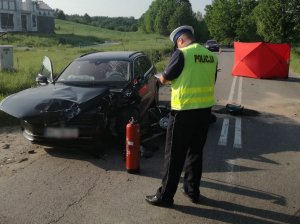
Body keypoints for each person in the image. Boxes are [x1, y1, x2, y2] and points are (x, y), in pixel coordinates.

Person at [145, 25, 218, 207]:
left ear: (180, 40)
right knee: (195, 153)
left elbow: (166, 77)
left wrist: (161, 77)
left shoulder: (182, 53)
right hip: (204, 112)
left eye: (176, 44)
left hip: (183, 112)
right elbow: (211, 80)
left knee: (174, 156)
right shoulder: (210, 56)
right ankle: (192, 191)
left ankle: (165, 196)